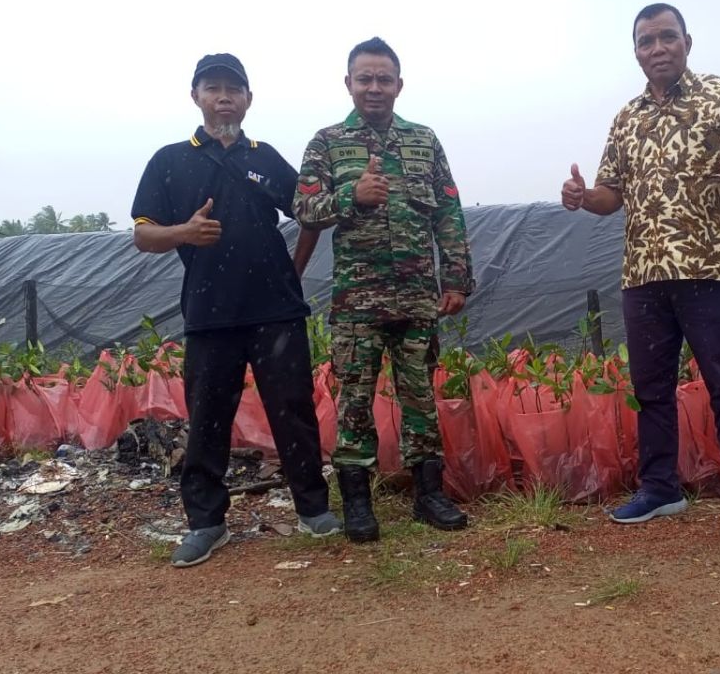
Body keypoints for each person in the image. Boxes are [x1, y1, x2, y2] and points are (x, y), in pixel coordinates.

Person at [561, 4, 720, 541]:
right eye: (645, 41)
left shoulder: (719, 95)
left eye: (666, 37)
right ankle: (660, 489)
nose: (656, 48)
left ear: (687, 42)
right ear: (635, 51)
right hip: (643, 274)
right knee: (650, 388)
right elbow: (611, 195)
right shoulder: (626, 117)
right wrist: (584, 198)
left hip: (706, 268)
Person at [131, 53, 341, 567]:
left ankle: (314, 510)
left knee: (292, 411)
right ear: (196, 96)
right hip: (210, 312)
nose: (224, 96)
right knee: (207, 419)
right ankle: (206, 524)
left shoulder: (266, 157)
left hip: (277, 310)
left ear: (248, 99)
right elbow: (142, 234)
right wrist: (184, 232)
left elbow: (309, 213)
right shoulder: (169, 160)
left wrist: (294, 268)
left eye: (234, 88)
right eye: (213, 87)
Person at [293, 37, 474, 543]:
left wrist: (456, 276)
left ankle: (429, 495)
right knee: (355, 399)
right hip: (358, 302)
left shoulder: (423, 140)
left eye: (384, 79)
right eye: (364, 78)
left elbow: (448, 211)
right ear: (348, 83)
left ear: (399, 84)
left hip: (417, 297)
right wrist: (352, 194)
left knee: (419, 397)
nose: (375, 88)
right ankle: (357, 501)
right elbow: (304, 209)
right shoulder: (327, 142)